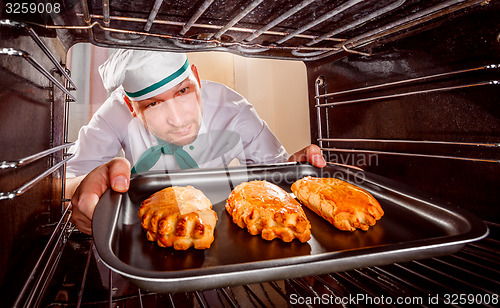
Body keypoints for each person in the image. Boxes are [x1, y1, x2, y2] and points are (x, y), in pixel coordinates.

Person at [66, 49, 326, 234]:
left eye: (183, 91)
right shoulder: (114, 113)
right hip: (138, 233)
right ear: (130, 106)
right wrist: (78, 193)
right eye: (153, 104)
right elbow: (68, 180)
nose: (179, 121)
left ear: (196, 78)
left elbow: (274, 176)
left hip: (218, 237)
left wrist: (293, 172)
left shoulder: (233, 109)